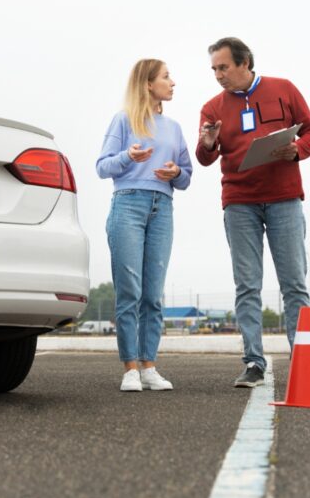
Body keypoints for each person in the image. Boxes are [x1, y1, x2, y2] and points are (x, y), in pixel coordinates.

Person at [196, 37, 310, 388]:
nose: (218, 75)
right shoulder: (212, 107)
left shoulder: (284, 89)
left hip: (285, 200)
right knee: (247, 286)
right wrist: (208, 143)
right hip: (239, 203)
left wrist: (297, 150)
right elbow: (204, 157)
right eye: (214, 69)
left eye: (223, 67)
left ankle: (306, 361)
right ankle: (253, 363)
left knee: (294, 284)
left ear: (245, 63)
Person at [96, 59, 193, 392]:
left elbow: (186, 176)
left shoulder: (175, 128)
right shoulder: (123, 120)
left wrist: (175, 173)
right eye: (167, 77)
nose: (173, 82)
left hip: (162, 207)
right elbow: (102, 167)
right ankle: (130, 369)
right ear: (148, 84)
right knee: (130, 293)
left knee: (153, 295)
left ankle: (150, 365)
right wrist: (128, 157)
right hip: (128, 205)